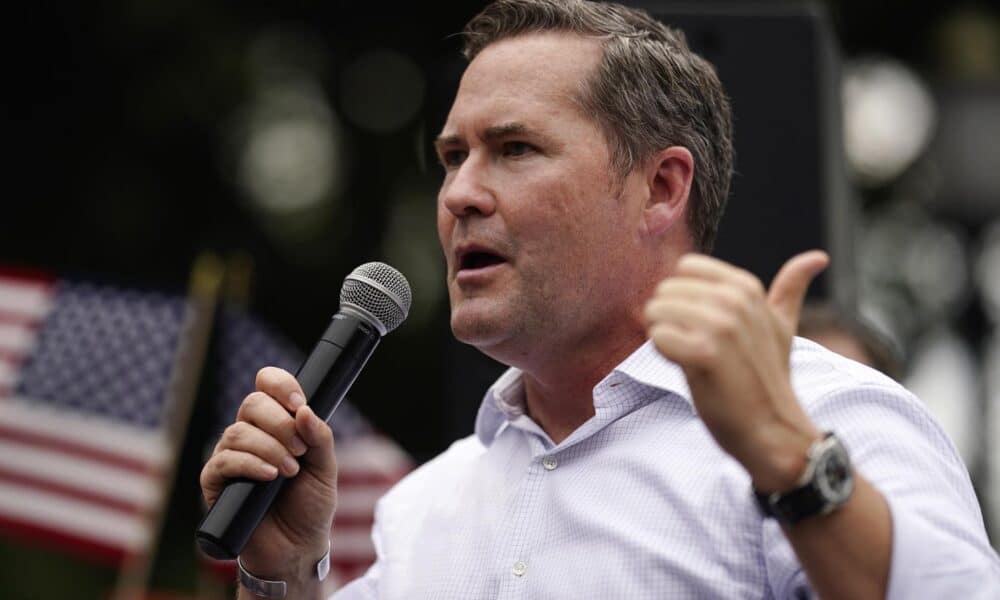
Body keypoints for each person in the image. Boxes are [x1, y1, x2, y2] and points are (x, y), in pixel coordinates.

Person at [200, 1, 1000, 598]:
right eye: (451, 157)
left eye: (515, 149)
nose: (460, 194)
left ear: (660, 187)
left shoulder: (836, 421)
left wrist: (791, 465)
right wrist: (282, 574)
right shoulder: (426, 505)